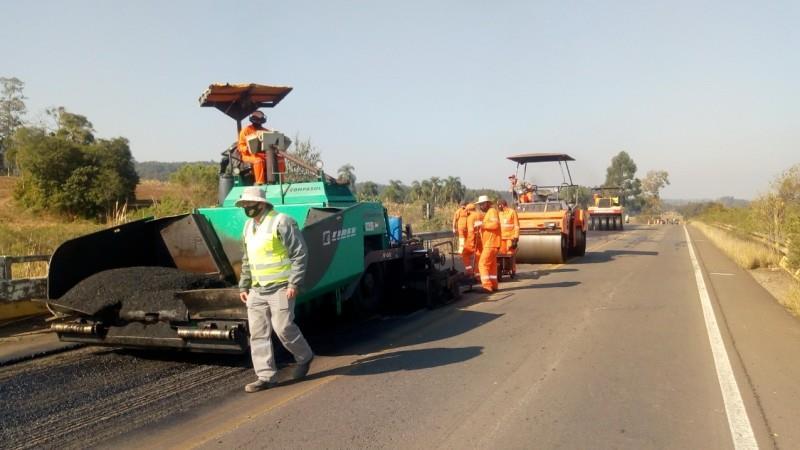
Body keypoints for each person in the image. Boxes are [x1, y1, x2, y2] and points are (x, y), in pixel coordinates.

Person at [236, 186, 313, 393]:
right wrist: (244, 284)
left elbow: (299, 254)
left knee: (283, 328)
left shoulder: (282, 222)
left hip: (281, 287)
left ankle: (304, 357)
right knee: (258, 333)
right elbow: (247, 259)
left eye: (248, 204)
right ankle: (265, 377)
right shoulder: (247, 227)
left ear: (260, 204)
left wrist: (293, 283)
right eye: (243, 204)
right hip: (257, 290)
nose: (245, 207)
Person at [237, 110, 287, 185]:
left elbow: (273, 144)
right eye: (256, 119)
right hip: (248, 156)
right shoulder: (245, 130)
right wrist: (248, 148)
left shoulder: (266, 131)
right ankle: (260, 183)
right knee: (258, 161)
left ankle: (280, 182)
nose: (258, 122)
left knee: (280, 159)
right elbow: (240, 147)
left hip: (265, 155)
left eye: (259, 119)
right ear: (252, 120)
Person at [475, 195, 501, 292]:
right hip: (492, 243)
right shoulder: (489, 213)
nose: (480, 206)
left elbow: (495, 225)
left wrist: (482, 225)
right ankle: (494, 285)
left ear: (487, 203)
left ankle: (486, 286)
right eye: (479, 205)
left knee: (482, 264)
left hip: (491, 243)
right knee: (492, 265)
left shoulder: (492, 212)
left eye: (482, 204)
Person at [497, 199, 520, 275]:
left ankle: (512, 269)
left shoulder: (512, 212)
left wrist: (516, 238)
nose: (498, 207)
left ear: (502, 205)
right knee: (500, 254)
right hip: (501, 238)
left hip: (510, 238)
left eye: (498, 205)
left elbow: (516, 226)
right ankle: (500, 269)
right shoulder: (499, 213)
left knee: (510, 254)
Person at [461, 203, 480, 279]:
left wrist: (471, 243)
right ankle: (478, 274)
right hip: (481, 239)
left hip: (473, 239)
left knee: (465, 253)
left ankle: (469, 271)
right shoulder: (480, 215)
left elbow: (471, 231)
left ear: (468, 210)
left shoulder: (470, 217)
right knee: (478, 256)